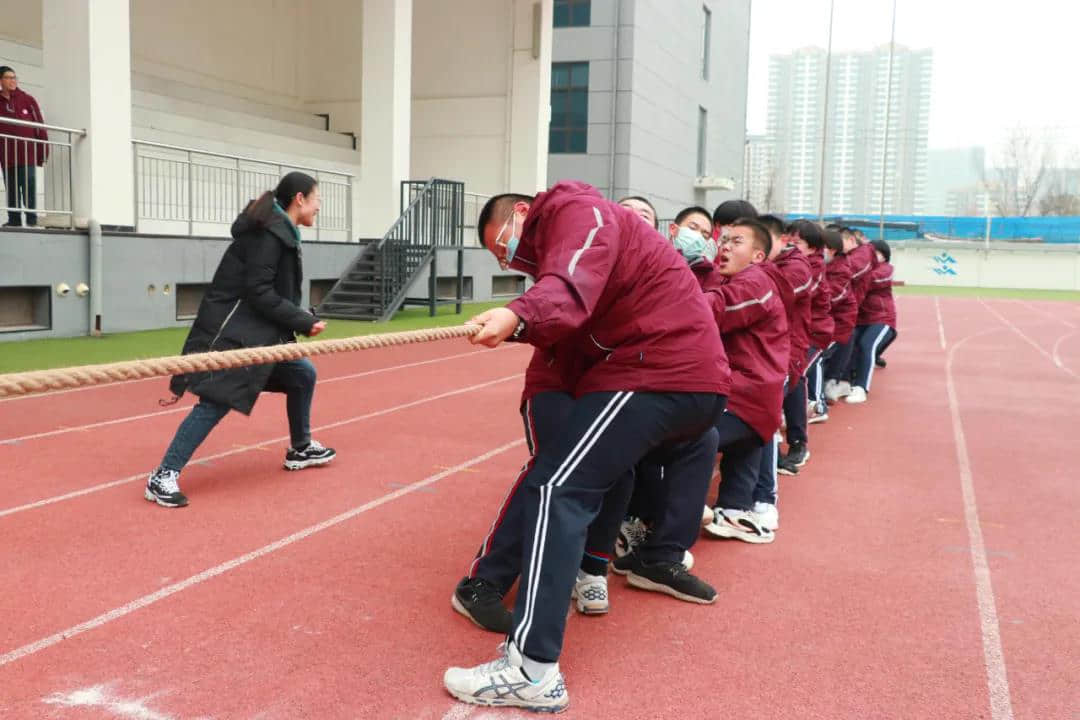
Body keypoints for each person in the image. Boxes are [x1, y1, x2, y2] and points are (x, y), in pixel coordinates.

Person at [443, 182, 728, 713]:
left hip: (659, 371)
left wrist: (518, 313)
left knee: (556, 486)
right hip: (679, 379)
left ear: (523, 213)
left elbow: (570, 280)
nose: (505, 256)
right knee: (582, 480)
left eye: (500, 244)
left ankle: (532, 669)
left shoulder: (577, 210)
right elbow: (572, 308)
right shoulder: (584, 240)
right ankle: (624, 566)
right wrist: (526, 320)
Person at [144, 172, 336, 508]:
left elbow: (271, 291)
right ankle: (163, 475)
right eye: (317, 198)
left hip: (260, 335)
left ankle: (300, 447)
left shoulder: (281, 232)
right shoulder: (269, 235)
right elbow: (257, 292)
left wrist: (300, 317)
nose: (319, 207)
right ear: (300, 199)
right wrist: (303, 320)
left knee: (302, 374)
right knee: (215, 402)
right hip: (235, 336)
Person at [700, 218, 789, 544]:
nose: (723, 246)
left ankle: (666, 514)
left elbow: (712, 311)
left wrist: (670, 286)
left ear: (758, 256)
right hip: (754, 396)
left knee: (682, 441)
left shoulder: (755, 283)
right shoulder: (744, 281)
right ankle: (734, 510)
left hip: (744, 395)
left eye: (735, 241)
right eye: (722, 239)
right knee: (743, 453)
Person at [750, 214, 811, 524]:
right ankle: (743, 498)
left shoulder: (795, 268)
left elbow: (773, 296)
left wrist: (753, 267)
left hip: (788, 351)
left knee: (765, 422)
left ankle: (764, 499)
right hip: (764, 355)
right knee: (755, 423)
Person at [781, 219, 831, 473]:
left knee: (794, 380)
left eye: (796, 242)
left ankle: (799, 443)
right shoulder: (792, 263)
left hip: (812, 333)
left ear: (812, 248)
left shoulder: (810, 268)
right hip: (795, 333)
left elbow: (793, 293)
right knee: (791, 380)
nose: (789, 245)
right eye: (786, 239)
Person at [846, 239, 897, 403]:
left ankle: (861, 387)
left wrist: (855, 273)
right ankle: (845, 381)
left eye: (876, 253)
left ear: (884, 256)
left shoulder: (886, 270)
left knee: (867, 344)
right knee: (848, 346)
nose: (873, 257)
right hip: (859, 320)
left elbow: (872, 280)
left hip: (881, 319)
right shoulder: (861, 269)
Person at [0, 66, 48, 227]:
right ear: (1, 80)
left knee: (28, 187)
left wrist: (42, 151)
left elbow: (39, 125)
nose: (13, 80)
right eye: (8, 77)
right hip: (7, 155)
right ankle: (14, 221)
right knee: (11, 190)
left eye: (14, 77)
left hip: (27, 154)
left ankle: (31, 221)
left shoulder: (27, 99)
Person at [821, 227, 858, 404]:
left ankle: (827, 389)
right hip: (827, 320)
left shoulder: (842, 269)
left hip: (840, 322)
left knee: (821, 355)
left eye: (821, 247)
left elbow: (831, 297)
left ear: (832, 250)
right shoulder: (822, 265)